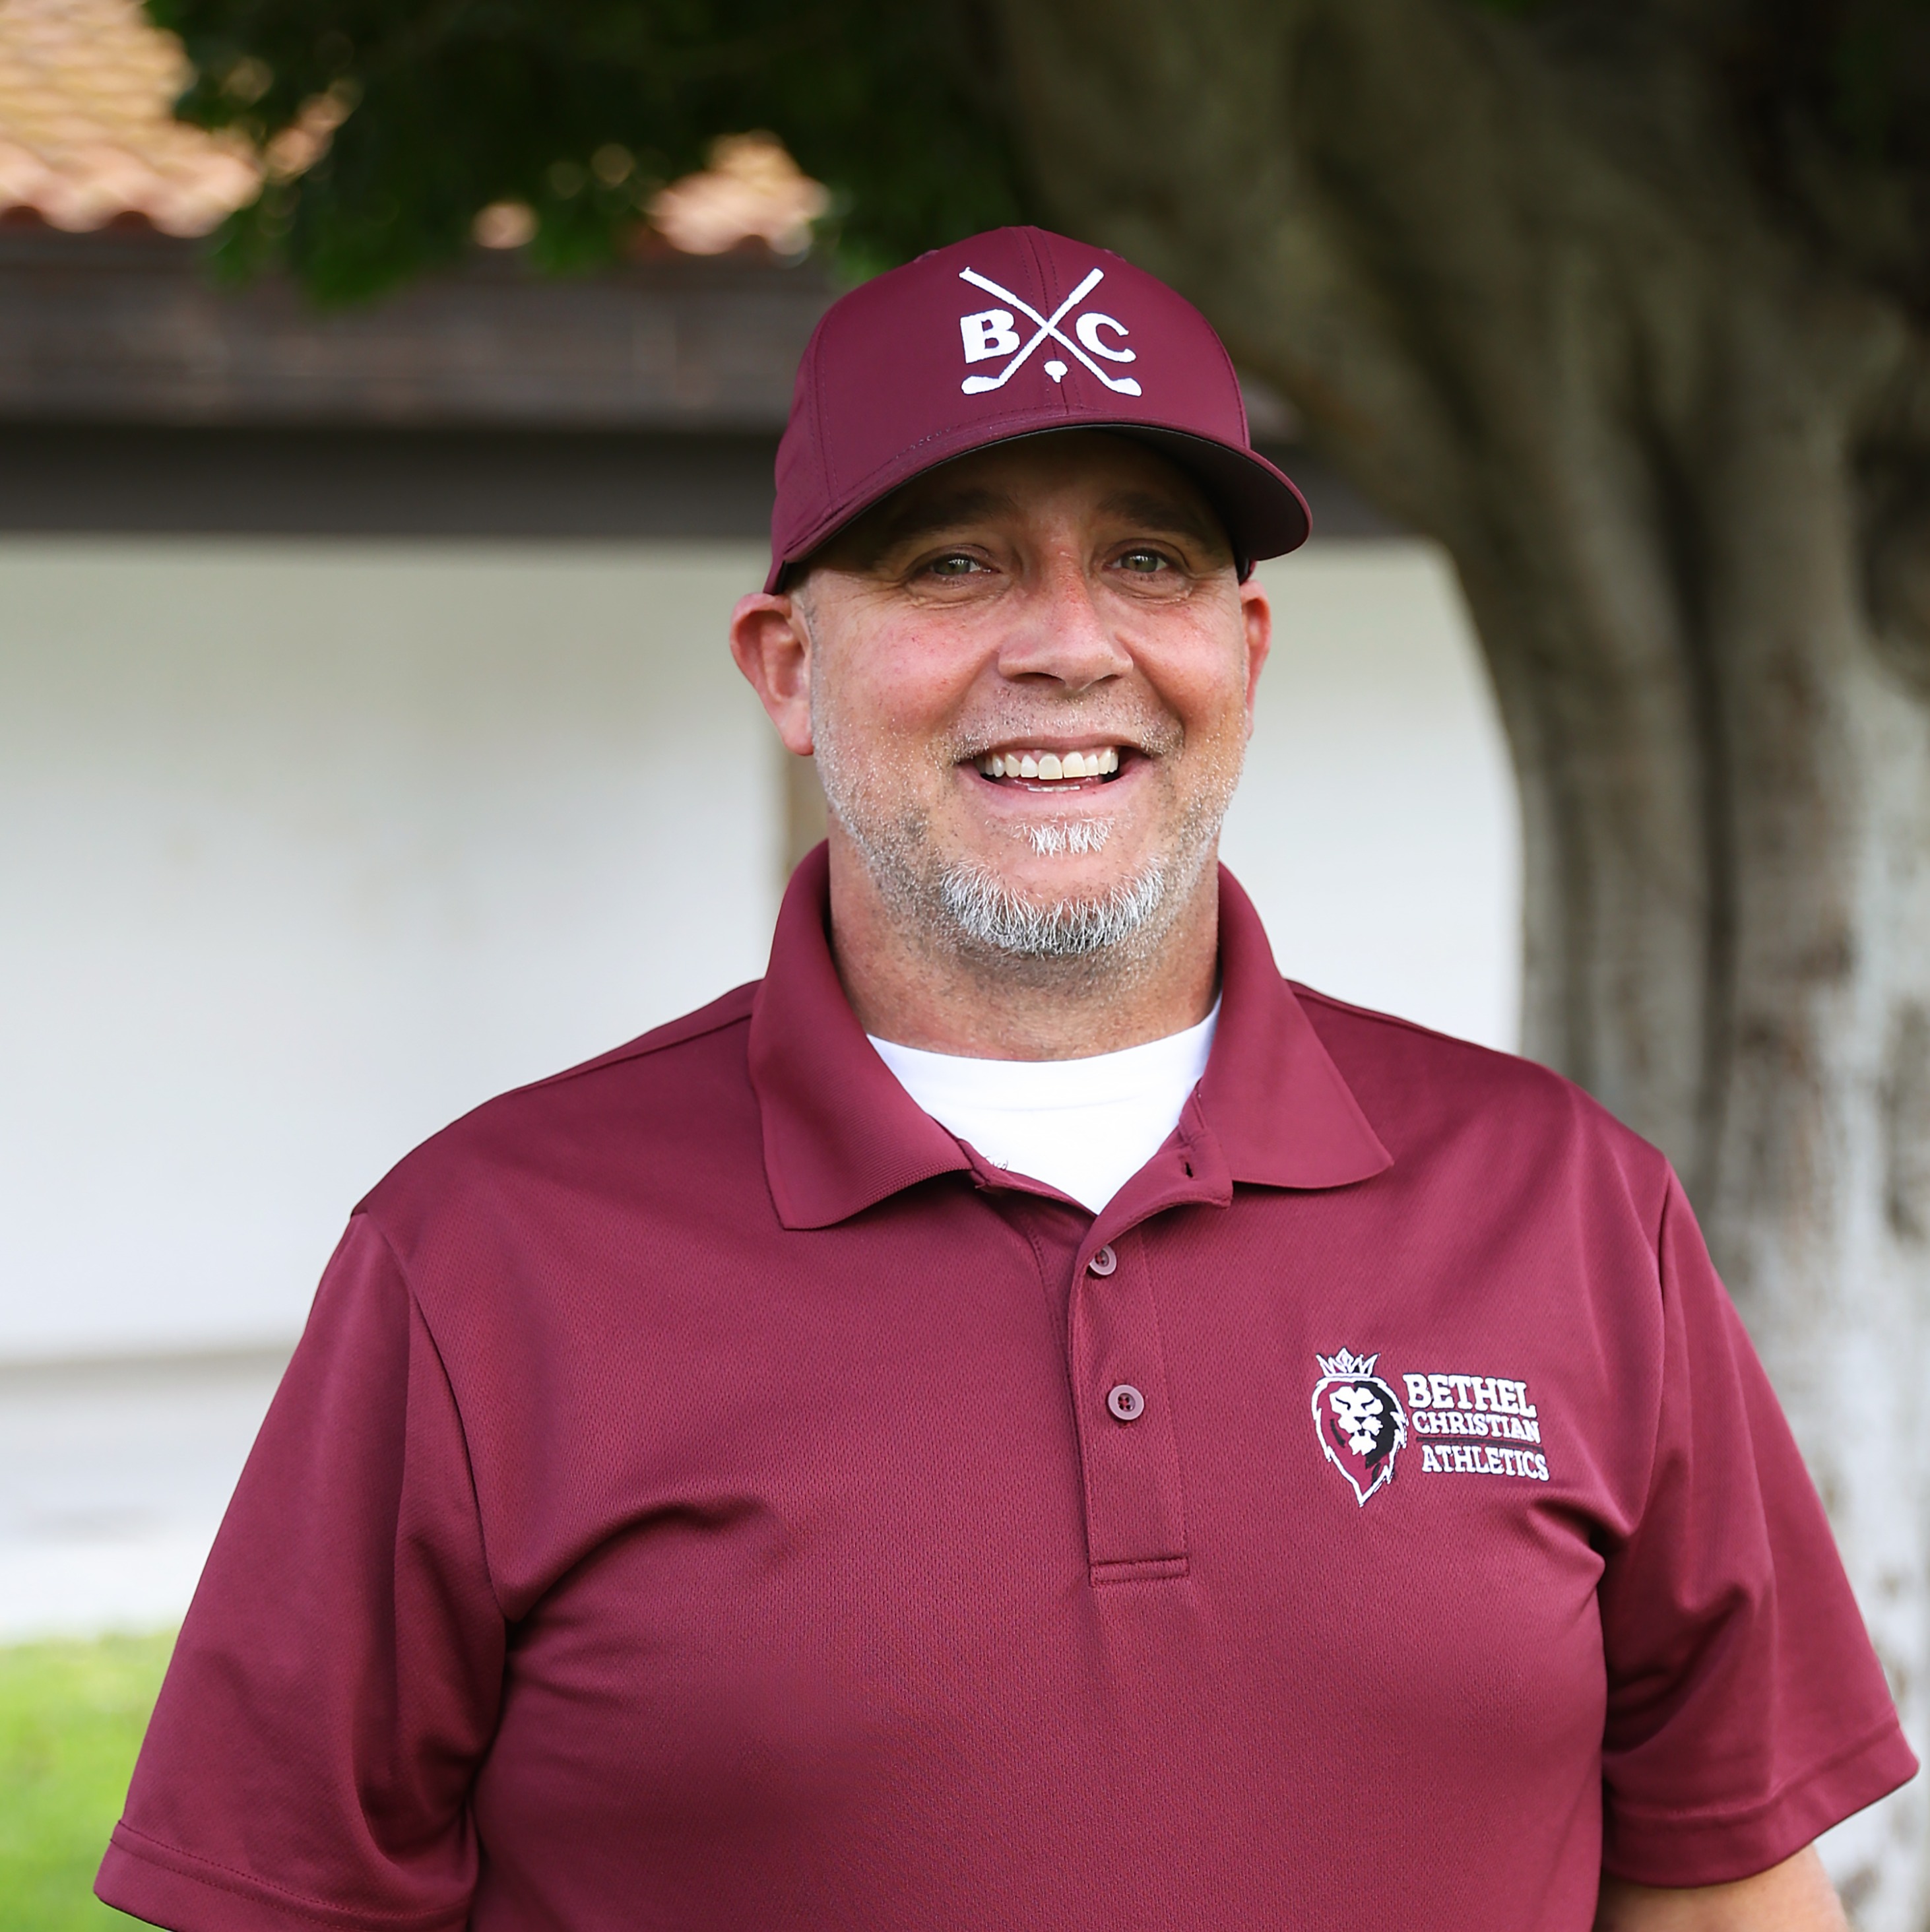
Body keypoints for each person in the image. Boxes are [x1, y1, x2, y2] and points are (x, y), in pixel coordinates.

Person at [98, 226, 1913, 1932]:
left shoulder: (1568, 1205)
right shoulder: (482, 1261)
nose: (1068, 643)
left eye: (1148, 560)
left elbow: (1725, 1885)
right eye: (954, 562)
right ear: (789, 668)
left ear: (1243, 653)